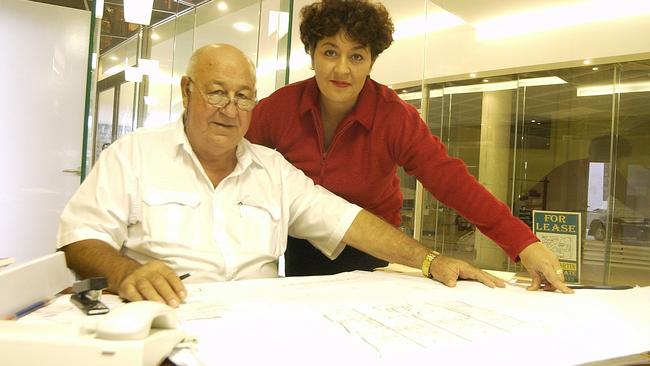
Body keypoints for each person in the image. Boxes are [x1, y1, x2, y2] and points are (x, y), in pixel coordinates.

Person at [57, 44, 546, 309]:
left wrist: (434, 259)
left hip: (286, 311)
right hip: (169, 318)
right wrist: (123, 272)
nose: (230, 111)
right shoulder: (134, 155)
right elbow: (81, 236)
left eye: (242, 96)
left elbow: (350, 217)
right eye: (216, 93)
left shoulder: (274, 166)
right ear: (186, 92)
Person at [246, 0, 570, 292]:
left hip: (374, 246)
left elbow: (451, 181)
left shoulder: (393, 116)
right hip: (301, 242)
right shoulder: (279, 109)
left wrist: (524, 243)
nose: (342, 68)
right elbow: (233, 161)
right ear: (312, 55)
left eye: (356, 56)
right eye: (330, 51)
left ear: (371, 62)